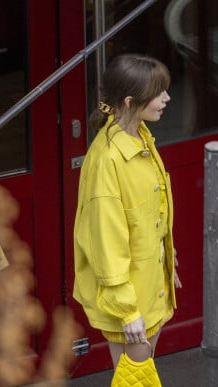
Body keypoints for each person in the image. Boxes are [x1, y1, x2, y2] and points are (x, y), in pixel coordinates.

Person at [73, 54, 182, 371]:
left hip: (148, 289)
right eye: (159, 92)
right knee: (135, 379)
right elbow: (106, 243)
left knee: (140, 376)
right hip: (131, 303)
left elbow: (150, 215)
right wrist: (127, 311)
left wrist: (167, 260)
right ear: (131, 101)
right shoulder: (109, 160)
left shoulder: (140, 136)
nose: (167, 98)